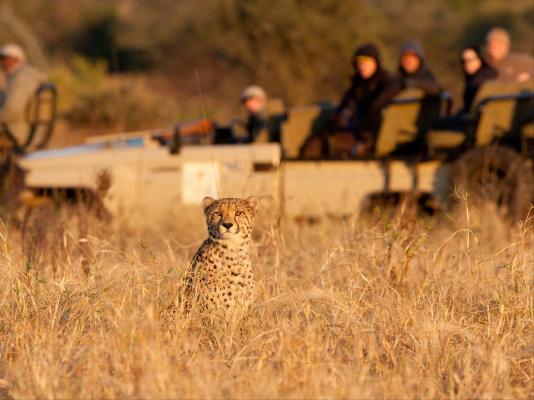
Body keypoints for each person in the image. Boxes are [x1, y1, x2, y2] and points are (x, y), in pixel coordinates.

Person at [336, 43, 401, 155]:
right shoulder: (357, 84)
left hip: (375, 132)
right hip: (354, 130)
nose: (362, 66)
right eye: (359, 63)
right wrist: (342, 117)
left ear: (375, 63)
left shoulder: (387, 82)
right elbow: (346, 105)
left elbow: (375, 108)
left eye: (366, 62)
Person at [0, 43, 45, 147]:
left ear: (17, 60)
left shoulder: (21, 79)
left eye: (6, 58)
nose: (2, 62)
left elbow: (12, 111)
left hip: (16, 133)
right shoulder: (21, 75)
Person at [459, 45, 497, 115]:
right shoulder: (474, 77)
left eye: (470, 60)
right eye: (463, 61)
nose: (466, 64)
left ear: (479, 59)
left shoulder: (481, 79)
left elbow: (471, 107)